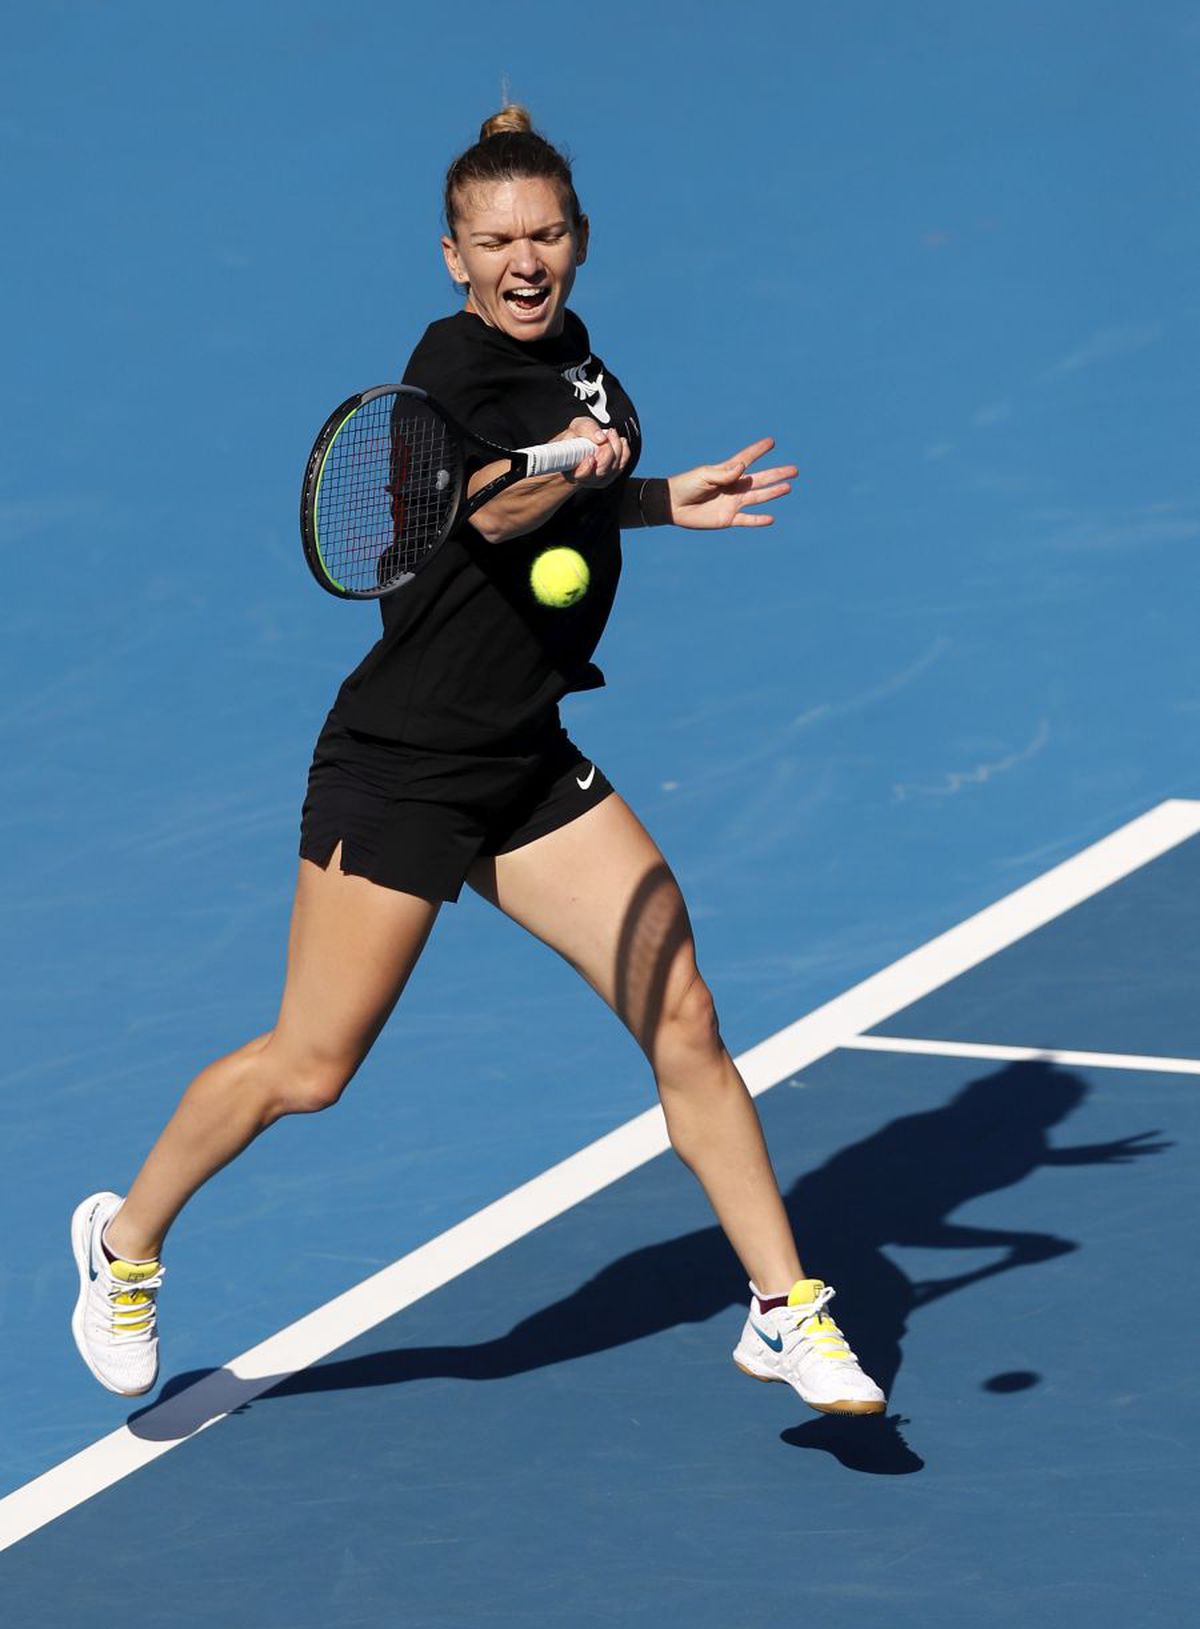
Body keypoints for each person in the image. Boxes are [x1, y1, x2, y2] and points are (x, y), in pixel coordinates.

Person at [71, 105, 885, 1420]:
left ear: (578, 240)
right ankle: (124, 1244)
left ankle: (785, 1307)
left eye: (546, 233)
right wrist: (573, 464)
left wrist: (664, 495)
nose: (524, 260)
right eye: (496, 240)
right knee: (311, 1066)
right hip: (401, 770)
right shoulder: (444, 372)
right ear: (453, 254)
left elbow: (578, 483)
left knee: (684, 1016)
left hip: (525, 763)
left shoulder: (590, 370)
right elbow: (498, 506)